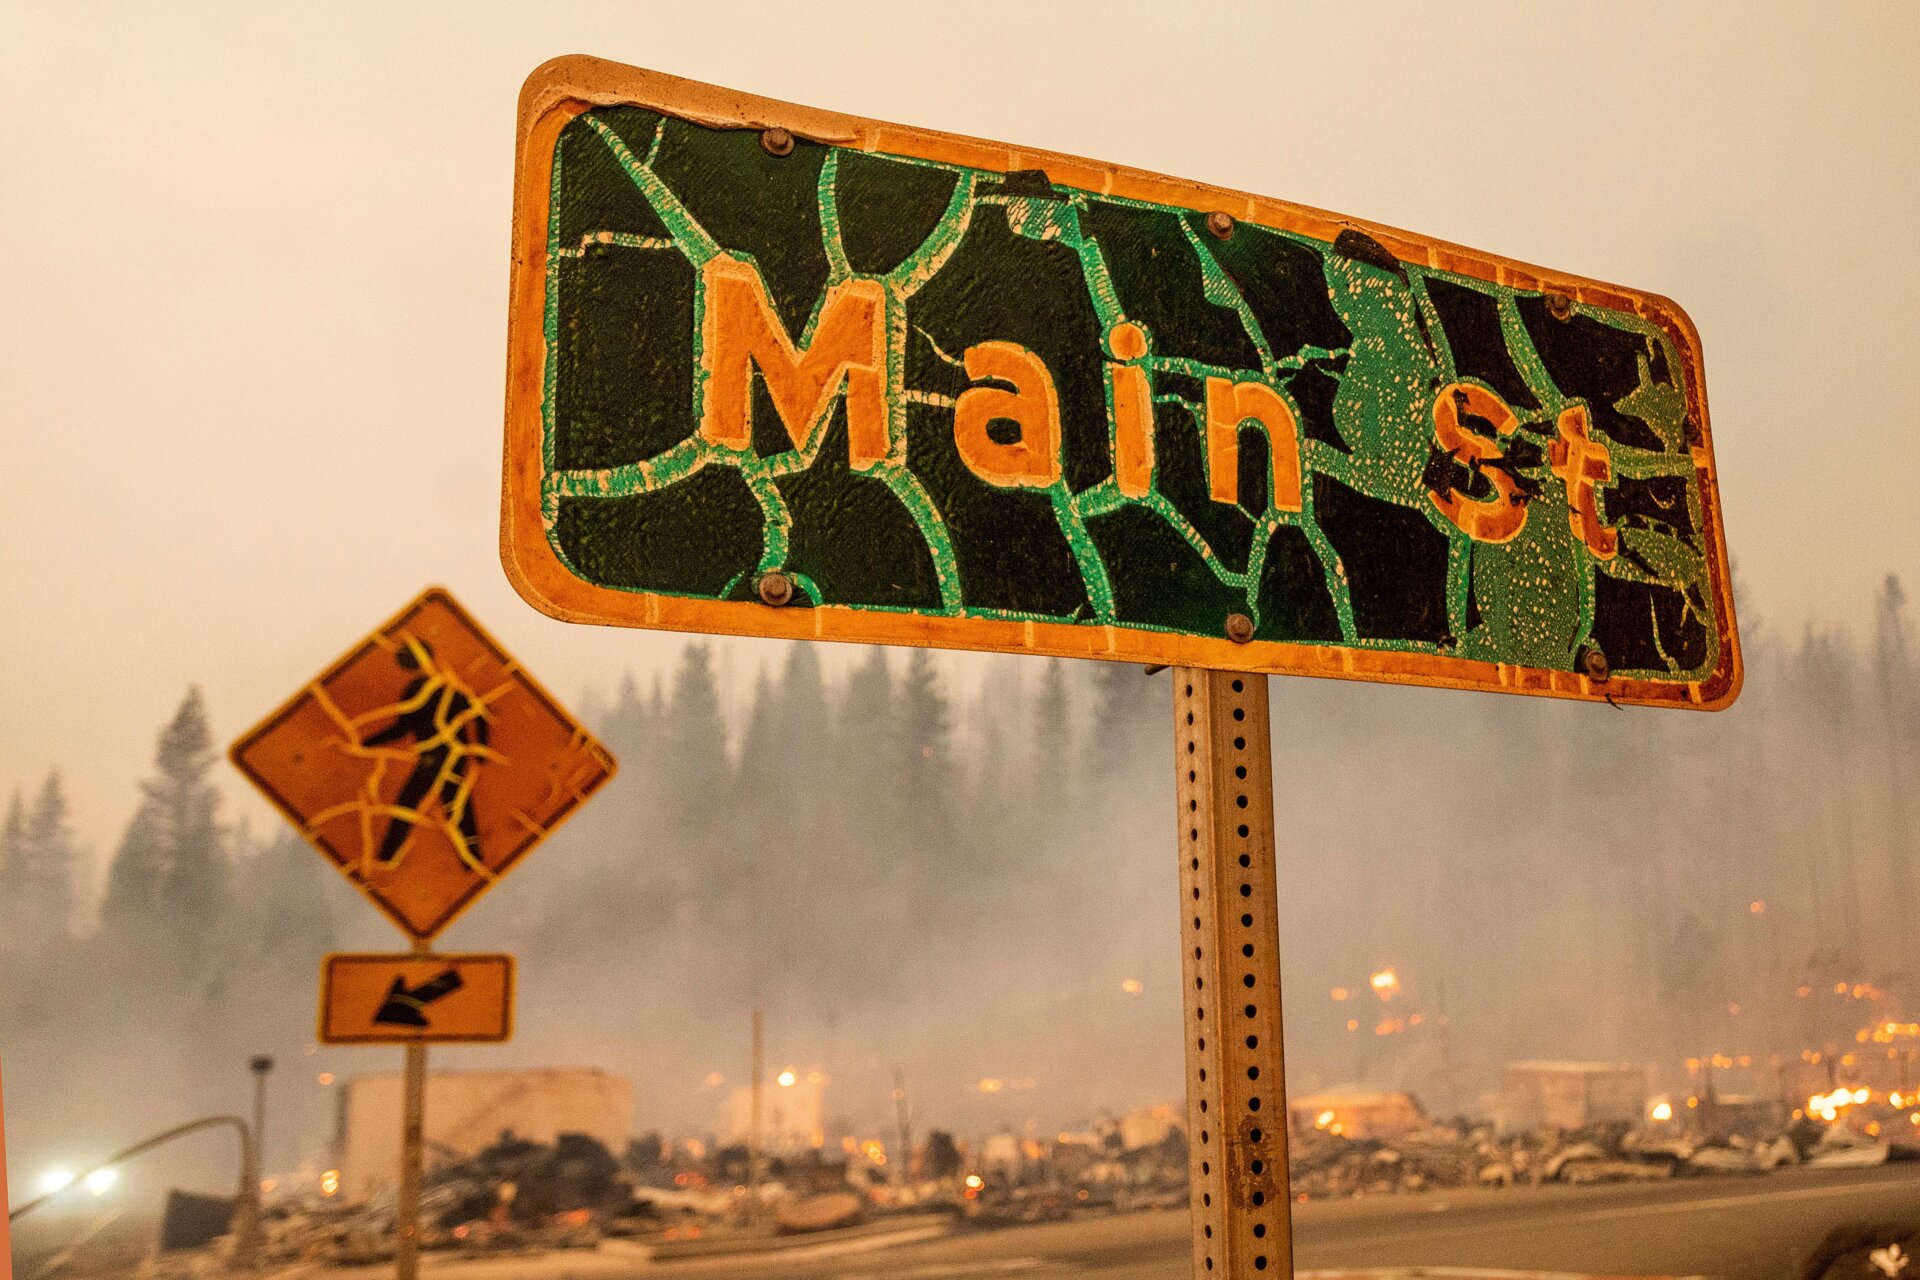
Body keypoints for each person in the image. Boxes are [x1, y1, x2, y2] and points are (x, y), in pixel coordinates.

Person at [362, 639, 490, 867]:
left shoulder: (427, 688)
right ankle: (472, 858)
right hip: (449, 757)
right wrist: (480, 748)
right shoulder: (445, 685)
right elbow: (480, 713)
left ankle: (387, 856)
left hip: (436, 757)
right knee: (455, 804)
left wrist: (367, 743)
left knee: (410, 800)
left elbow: (401, 729)